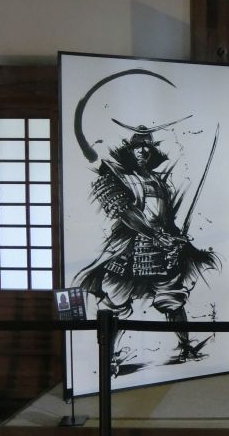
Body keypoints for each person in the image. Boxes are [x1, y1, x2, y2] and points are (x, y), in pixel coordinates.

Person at [75, 121, 218, 371]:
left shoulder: (158, 181)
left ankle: (186, 347)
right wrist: (154, 234)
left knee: (173, 300)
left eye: (147, 147)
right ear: (129, 150)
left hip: (160, 252)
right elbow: (127, 213)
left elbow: (165, 218)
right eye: (138, 146)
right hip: (129, 250)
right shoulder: (119, 176)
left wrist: (175, 237)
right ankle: (109, 358)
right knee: (114, 304)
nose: (142, 151)